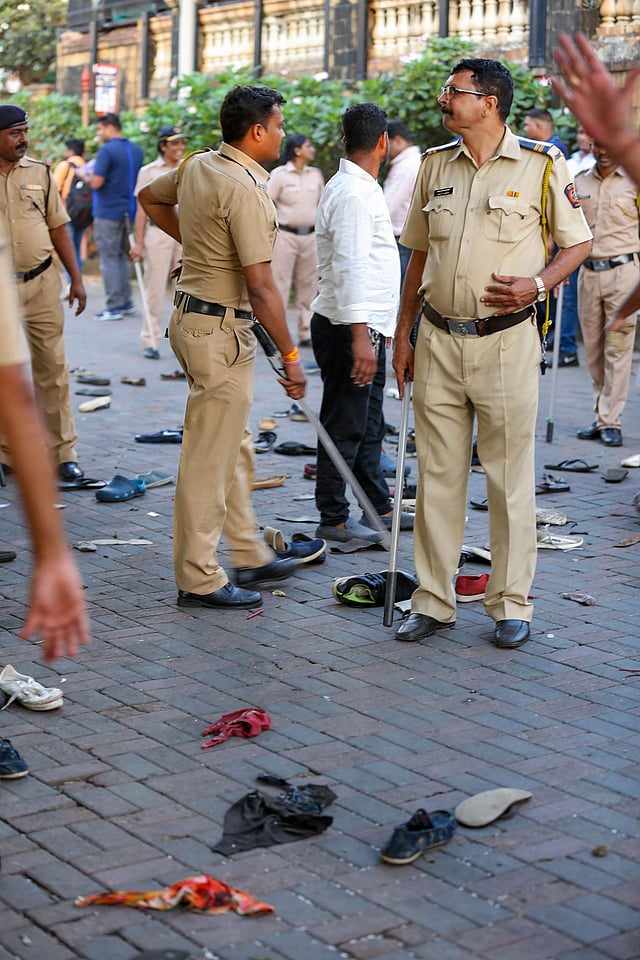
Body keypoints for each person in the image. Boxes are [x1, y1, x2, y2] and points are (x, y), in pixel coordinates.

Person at [392, 58, 592, 650]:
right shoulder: (435, 166)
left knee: (508, 478)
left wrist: (539, 283)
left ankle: (510, 602)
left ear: (491, 102)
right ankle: (432, 601)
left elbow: (577, 243)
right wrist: (403, 335)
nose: (444, 99)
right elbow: (418, 259)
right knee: (438, 475)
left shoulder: (541, 164)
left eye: (455, 92)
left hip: (506, 341)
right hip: (436, 340)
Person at [138, 85, 306, 610]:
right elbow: (262, 286)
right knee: (209, 460)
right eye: (278, 125)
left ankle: (250, 552)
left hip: (195, 320)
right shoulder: (246, 189)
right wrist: (292, 356)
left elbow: (149, 199)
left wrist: (201, 246)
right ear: (257, 131)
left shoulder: (201, 165)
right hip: (220, 330)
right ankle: (199, 576)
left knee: (232, 446)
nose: (282, 134)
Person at [310, 103, 410, 545]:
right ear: (383, 142)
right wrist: (361, 339)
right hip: (348, 327)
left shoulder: (361, 186)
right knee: (345, 423)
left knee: (369, 423)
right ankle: (332, 518)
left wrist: (378, 331)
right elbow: (350, 267)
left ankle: (378, 507)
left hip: (366, 327)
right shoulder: (351, 192)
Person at [0, 105, 89, 486]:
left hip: (41, 283)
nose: (23, 139)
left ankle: (63, 454)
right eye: (14, 133)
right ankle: (6, 455)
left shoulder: (40, 172)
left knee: (52, 369)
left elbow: (59, 228)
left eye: (25, 131)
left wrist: (77, 279)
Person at [573, 141, 639, 448]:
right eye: (598, 146)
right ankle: (601, 414)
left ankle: (611, 419)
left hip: (623, 273)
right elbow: (568, 230)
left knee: (618, 347)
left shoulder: (633, 181)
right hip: (587, 273)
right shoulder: (580, 180)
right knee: (594, 350)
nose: (604, 150)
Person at [130, 125, 185, 359]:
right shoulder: (149, 171)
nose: (180, 147)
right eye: (174, 143)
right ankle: (150, 340)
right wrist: (139, 243)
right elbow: (142, 210)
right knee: (154, 288)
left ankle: (184, 342)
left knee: (184, 290)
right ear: (163, 146)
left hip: (184, 234)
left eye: (182, 142)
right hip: (158, 234)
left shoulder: (188, 168)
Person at [83, 112, 143, 321]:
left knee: (109, 258)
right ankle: (125, 302)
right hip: (129, 210)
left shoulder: (107, 150)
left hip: (107, 211)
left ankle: (113, 306)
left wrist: (83, 175)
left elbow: (97, 182)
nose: (99, 133)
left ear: (109, 127)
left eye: (100, 129)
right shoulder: (136, 149)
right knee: (120, 256)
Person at [268, 134, 324, 347]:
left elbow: (322, 204)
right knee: (280, 285)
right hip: (285, 236)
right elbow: (267, 203)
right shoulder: (280, 175)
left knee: (308, 286)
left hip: (310, 236)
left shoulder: (315, 175)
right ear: (297, 150)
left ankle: (305, 332)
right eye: (309, 146)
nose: (312, 149)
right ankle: (276, 334)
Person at [383, 120, 422, 285]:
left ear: (397, 140)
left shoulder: (407, 165)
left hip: (402, 243)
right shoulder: (410, 162)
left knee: (398, 294)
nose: (384, 150)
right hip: (405, 242)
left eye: (386, 144)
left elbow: (387, 207)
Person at [53, 137, 89, 270]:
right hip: (84, 213)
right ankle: (77, 282)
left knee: (67, 252)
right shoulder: (86, 166)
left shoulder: (65, 165)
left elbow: (54, 189)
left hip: (66, 211)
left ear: (71, 151)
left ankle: (72, 284)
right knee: (76, 249)